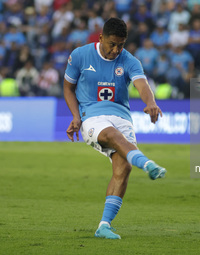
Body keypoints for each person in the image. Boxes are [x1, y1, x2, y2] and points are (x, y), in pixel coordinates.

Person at [63, 17, 166, 240]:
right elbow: (68, 88)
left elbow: (142, 85)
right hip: (92, 116)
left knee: (123, 169)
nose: (116, 49)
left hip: (122, 117)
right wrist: (75, 116)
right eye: (112, 44)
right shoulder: (80, 55)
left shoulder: (130, 61)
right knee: (111, 135)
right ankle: (146, 163)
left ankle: (104, 225)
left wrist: (150, 102)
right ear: (101, 38)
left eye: (121, 44)